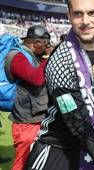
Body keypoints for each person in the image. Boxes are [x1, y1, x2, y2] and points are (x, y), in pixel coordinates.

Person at [25, 0, 94, 169]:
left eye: (92, 13)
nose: (85, 21)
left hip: (92, 147)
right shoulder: (61, 60)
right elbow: (76, 122)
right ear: (69, 16)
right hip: (57, 152)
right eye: (78, 14)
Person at [6, 25, 50, 170]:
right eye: (46, 44)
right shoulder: (17, 56)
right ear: (36, 42)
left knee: (35, 160)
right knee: (22, 161)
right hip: (25, 121)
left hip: (35, 117)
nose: (47, 47)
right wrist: (48, 59)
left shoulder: (33, 56)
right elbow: (36, 79)